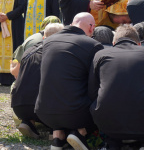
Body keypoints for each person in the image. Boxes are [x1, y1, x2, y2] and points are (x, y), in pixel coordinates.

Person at [35, 13, 103, 150]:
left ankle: (58, 138)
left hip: (44, 112)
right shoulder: (93, 45)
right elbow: (94, 85)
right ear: (91, 27)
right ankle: (79, 132)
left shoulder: (48, 41)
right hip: (76, 114)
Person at [89, 25, 144, 150]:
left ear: (113, 42)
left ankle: (113, 143)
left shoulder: (101, 54)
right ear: (139, 43)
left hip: (107, 123)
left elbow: (92, 92)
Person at [11, 23, 64, 139]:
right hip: (43, 108)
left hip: (19, 105)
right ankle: (55, 130)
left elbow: (16, 71)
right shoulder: (59, 52)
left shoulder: (30, 49)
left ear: (43, 37)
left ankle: (28, 122)